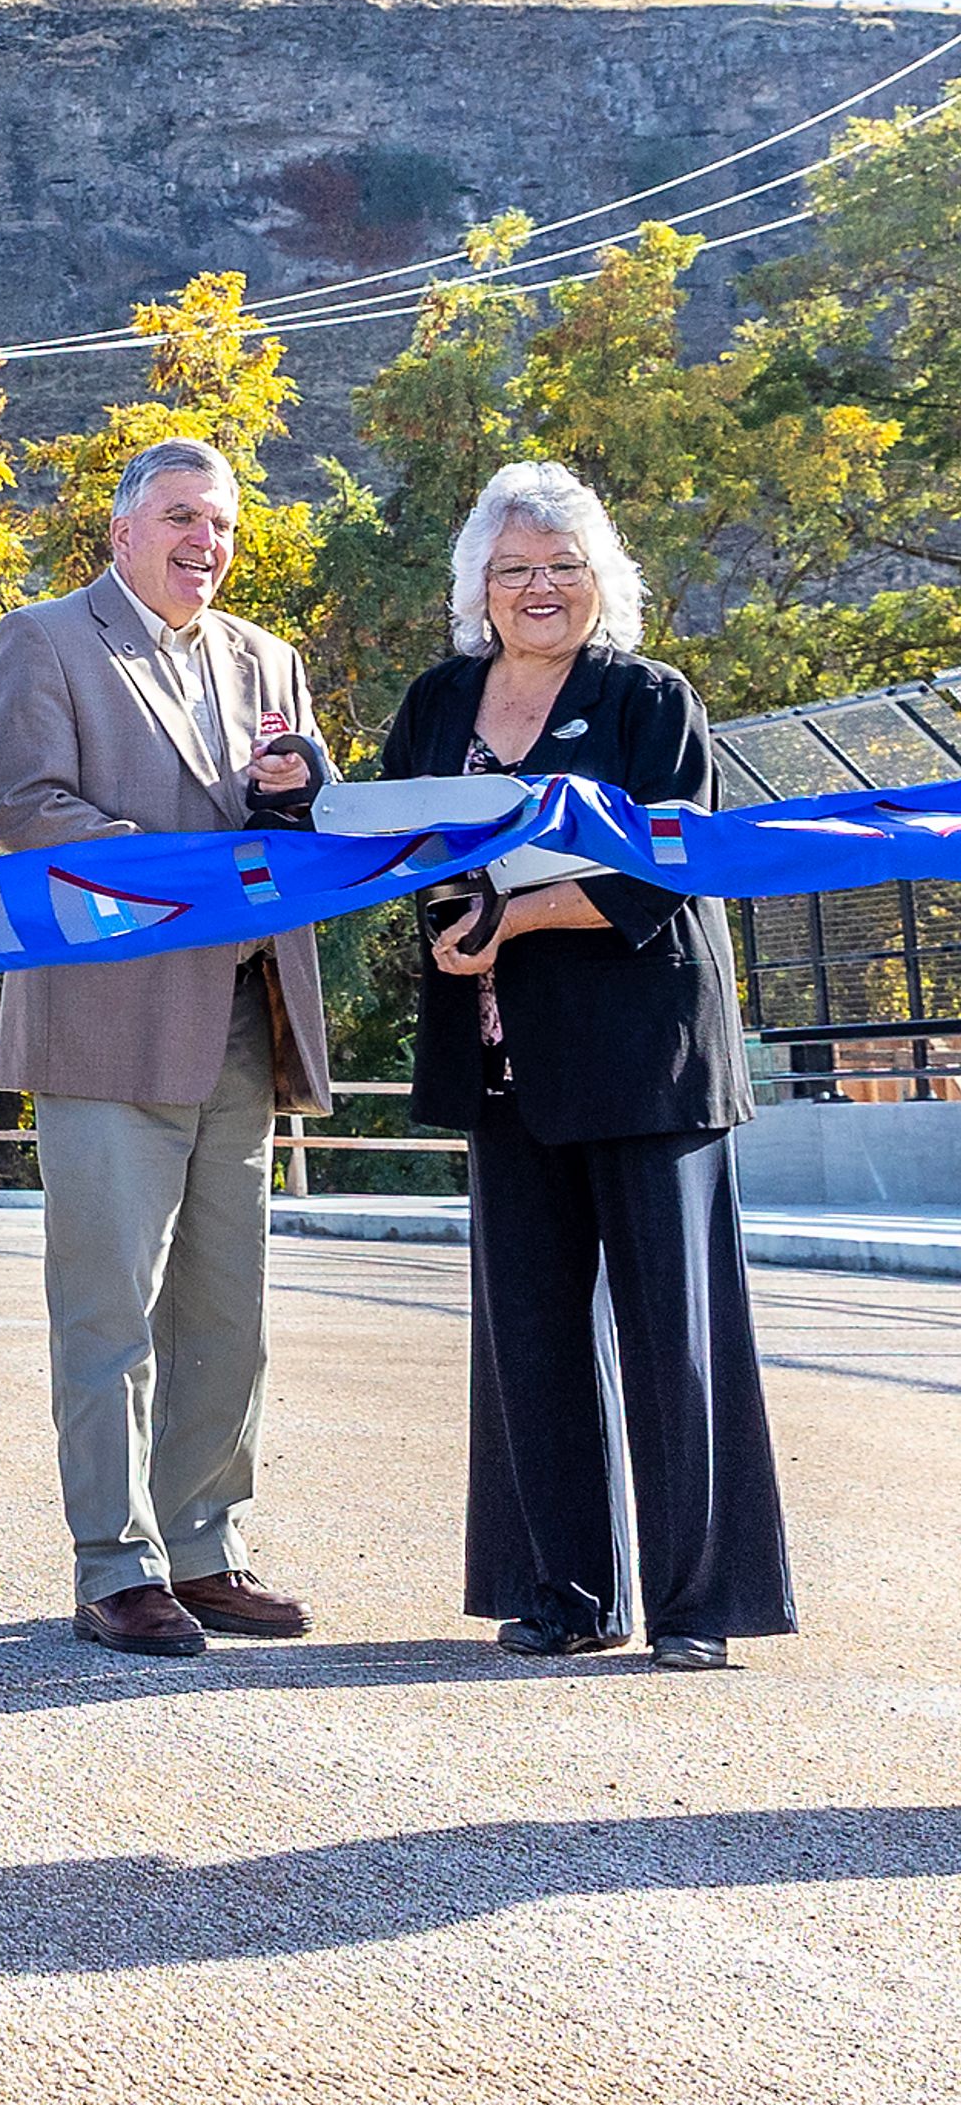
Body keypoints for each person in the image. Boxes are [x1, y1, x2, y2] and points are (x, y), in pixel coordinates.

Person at [374, 460, 792, 1671]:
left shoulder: (649, 697)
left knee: (679, 1336)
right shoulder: (440, 698)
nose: (539, 587)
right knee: (531, 1336)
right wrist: (309, 807)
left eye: (563, 566)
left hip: (647, 1056)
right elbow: (396, 842)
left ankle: (702, 1601)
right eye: (514, 570)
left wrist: (516, 916)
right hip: (502, 1059)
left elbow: (665, 864)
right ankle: (559, 1591)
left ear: (601, 579)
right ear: (479, 589)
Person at [0, 437, 335, 1658]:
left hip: (248, 1018)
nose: (208, 541)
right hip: (110, 1020)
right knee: (108, 1311)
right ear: (123, 531)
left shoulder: (267, 656)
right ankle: (115, 1562)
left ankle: (207, 1545)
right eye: (183, 516)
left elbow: (296, 831)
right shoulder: (45, 637)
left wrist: (302, 795)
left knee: (229, 1310)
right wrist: (190, 880)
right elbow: (28, 809)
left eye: (224, 523)